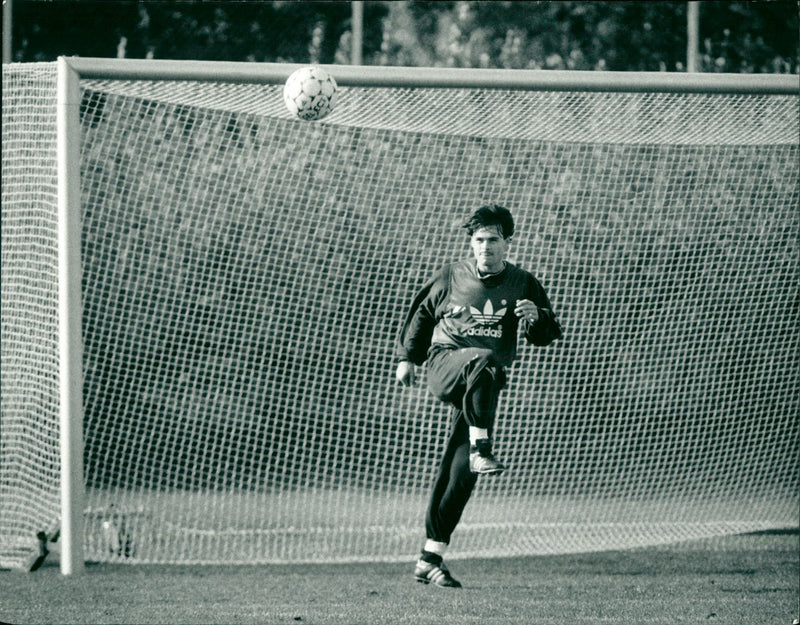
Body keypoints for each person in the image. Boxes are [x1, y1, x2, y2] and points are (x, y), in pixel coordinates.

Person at [395, 204, 562, 588]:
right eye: (479, 240)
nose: (485, 247)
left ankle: (430, 556)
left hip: (482, 387)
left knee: (460, 474)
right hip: (445, 365)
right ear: (472, 243)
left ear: (507, 243)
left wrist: (536, 316)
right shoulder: (452, 275)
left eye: (493, 240)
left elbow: (546, 336)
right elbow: (421, 313)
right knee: (483, 361)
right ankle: (481, 447)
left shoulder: (523, 283)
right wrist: (407, 358)